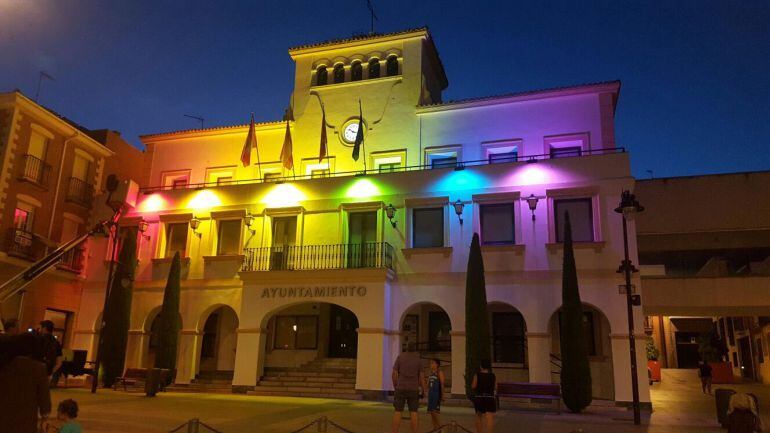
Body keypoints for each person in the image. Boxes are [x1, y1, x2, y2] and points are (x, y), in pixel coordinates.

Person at [0, 333, 52, 433]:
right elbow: (44, 395)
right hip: (26, 419)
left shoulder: (4, 363)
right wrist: (45, 416)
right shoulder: (39, 368)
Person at [391, 343, 425, 433]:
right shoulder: (418, 359)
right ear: (415, 349)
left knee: (398, 411)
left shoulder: (400, 357)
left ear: (406, 348)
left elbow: (394, 374)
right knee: (414, 412)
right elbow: (422, 377)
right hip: (413, 389)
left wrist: (395, 385)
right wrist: (424, 390)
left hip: (401, 387)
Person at [471, 359, 497, 433]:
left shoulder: (477, 375)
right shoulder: (492, 375)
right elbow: (495, 387)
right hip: (490, 398)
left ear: (481, 366)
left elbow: (473, 386)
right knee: (489, 418)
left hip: (480, 397)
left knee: (478, 416)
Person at [427, 358, 445, 431]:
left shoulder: (439, 372)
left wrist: (443, 395)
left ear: (437, 364)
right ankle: (435, 428)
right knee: (431, 412)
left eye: (433, 363)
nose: (431, 364)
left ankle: (441, 428)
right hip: (430, 394)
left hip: (436, 394)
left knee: (435, 412)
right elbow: (428, 384)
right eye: (431, 363)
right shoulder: (431, 373)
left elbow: (442, 384)